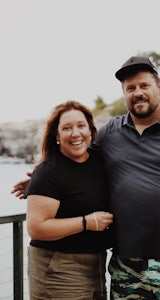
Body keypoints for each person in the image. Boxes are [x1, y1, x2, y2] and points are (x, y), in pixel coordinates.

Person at [12, 57, 160, 299]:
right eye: (130, 88)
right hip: (126, 267)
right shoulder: (111, 132)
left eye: (144, 86)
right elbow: (76, 157)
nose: (138, 93)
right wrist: (41, 179)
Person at [17, 100, 113, 300]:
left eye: (81, 126)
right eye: (67, 128)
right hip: (57, 267)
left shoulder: (98, 160)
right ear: (57, 135)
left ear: (90, 130)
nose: (75, 133)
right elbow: (37, 228)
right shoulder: (48, 172)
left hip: (96, 264)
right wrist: (87, 222)